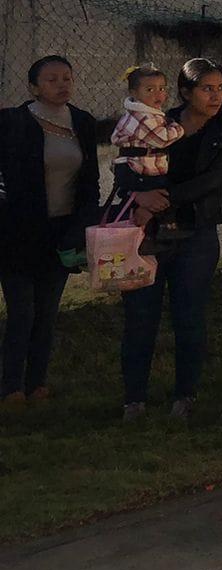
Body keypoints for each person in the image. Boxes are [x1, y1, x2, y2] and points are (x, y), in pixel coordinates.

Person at [120, 58, 222, 421]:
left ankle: (185, 396)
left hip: (196, 233)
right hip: (149, 233)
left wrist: (160, 201)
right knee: (140, 316)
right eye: (207, 88)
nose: (216, 95)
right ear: (185, 92)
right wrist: (140, 197)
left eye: (221, 88)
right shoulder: (155, 119)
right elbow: (125, 163)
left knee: (189, 317)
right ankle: (134, 400)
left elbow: (213, 179)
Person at [0, 56, 99, 405]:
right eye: (52, 79)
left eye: (67, 78)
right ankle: (11, 387)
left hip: (61, 233)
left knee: (46, 313)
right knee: (21, 313)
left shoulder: (83, 122)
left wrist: (84, 224)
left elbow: (90, 182)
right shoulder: (12, 122)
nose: (62, 84)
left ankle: (38, 383)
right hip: (17, 234)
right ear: (33, 87)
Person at [109, 65, 186, 226]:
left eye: (162, 88)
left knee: (161, 201)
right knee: (153, 204)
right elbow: (162, 139)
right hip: (136, 171)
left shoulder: (151, 113)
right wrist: (178, 128)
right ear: (134, 93)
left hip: (146, 169)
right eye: (150, 90)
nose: (158, 94)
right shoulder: (141, 116)